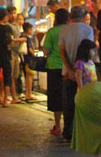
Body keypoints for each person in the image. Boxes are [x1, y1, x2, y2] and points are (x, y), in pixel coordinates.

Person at [59, 5, 95, 141]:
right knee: (85, 103)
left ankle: (67, 133)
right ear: (83, 16)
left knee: (68, 103)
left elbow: (61, 51)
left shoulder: (64, 29)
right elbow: (90, 50)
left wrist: (69, 69)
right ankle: (82, 133)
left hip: (67, 73)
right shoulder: (88, 29)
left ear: (70, 16)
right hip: (85, 73)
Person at [42, 7, 69, 135]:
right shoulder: (69, 31)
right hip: (68, 67)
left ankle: (57, 126)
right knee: (68, 96)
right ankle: (69, 125)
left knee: (56, 96)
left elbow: (46, 50)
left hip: (54, 67)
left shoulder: (52, 32)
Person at [21, 21, 37, 101]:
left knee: (28, 77)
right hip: (30, 60)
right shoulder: (27, 38)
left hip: (25, 59)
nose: (32, 30)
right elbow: (30, 49)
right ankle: (29, 94)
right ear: (28, 29)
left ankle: (28, 93)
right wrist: (35, 55)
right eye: (31, 29)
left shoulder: (23, 37)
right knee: (30, 77)